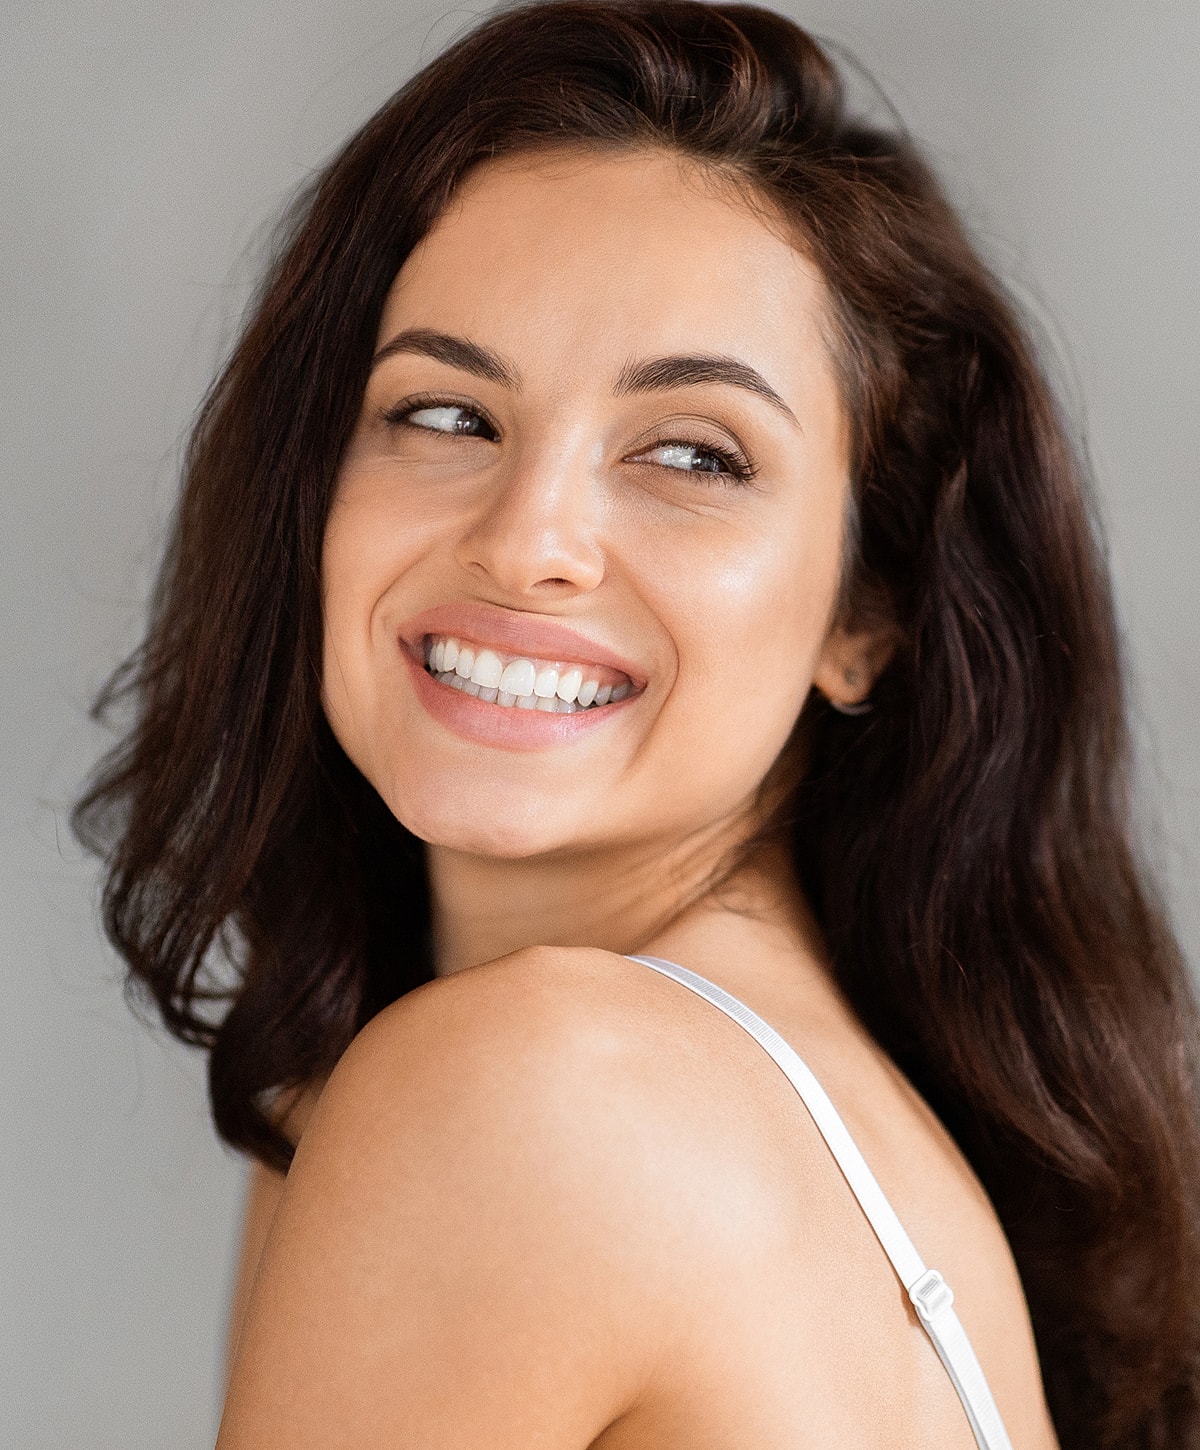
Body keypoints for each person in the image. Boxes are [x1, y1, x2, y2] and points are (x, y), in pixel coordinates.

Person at [74, 1, 1200, 1445]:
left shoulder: (530, 1101)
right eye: (446, 414)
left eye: (691, 453)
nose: (528, 539)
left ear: (870, 611)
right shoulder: (827, 1132)